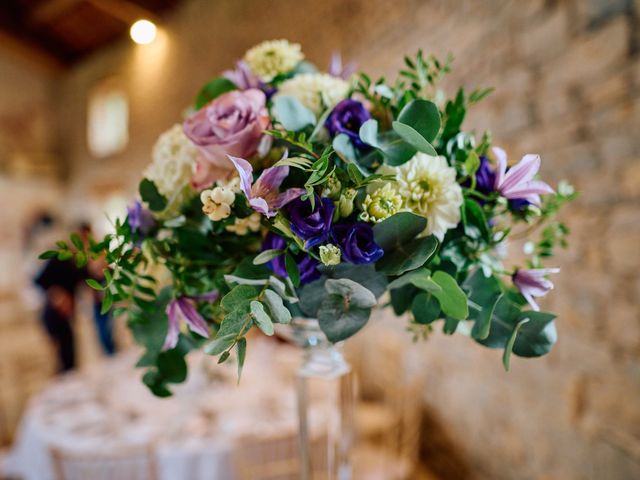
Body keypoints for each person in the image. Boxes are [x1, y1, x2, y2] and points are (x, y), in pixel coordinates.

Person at [34, 253, 85, 372]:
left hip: (66, 316)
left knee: (70, 352)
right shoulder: (58, 260)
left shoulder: (80, 263)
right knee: (61, 353)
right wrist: (56, 294)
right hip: (53, 316)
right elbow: (38, 281)